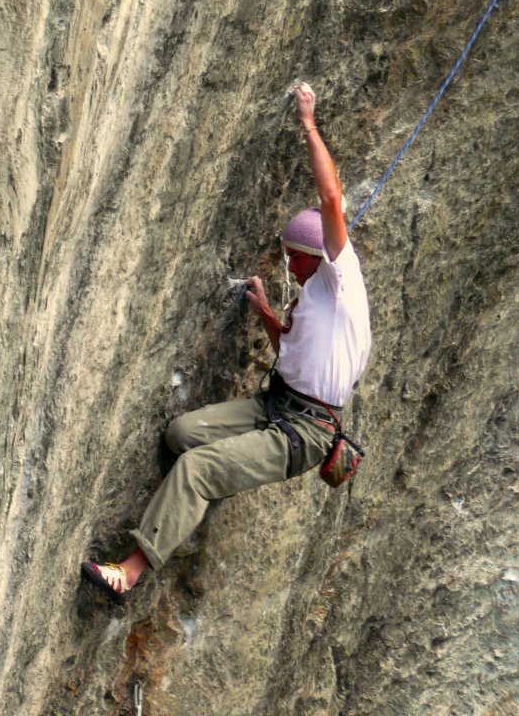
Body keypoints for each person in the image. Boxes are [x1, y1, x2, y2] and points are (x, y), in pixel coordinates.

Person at [82, 83, 372, 605]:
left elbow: (332, 198)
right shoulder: (313, 299)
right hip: (276, 404)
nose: (289, 264)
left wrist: (308, 122)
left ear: (316, 255)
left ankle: (129, 574)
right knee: (180, 436)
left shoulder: (339, 279)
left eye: (294, 256)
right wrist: (263, 310)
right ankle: (188, 506)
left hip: (304, 432)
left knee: (197, 470)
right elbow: (290, 349)